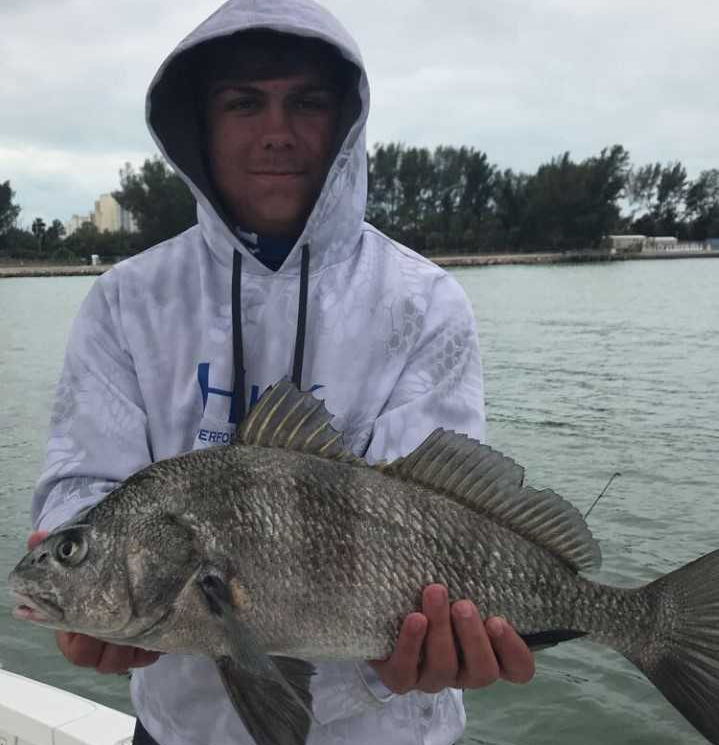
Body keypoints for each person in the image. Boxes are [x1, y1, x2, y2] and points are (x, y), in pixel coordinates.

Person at [29, 1, 534, 743]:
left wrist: (426, 649)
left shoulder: (423, 302)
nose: (276, 130)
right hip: (180, 730)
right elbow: (83, 489)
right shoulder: (126, 300)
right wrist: (80, 571)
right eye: (243, 103)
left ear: (346, 123)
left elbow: (448, 503)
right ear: (199, 125)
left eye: (307, 101)